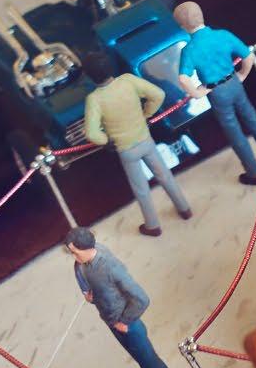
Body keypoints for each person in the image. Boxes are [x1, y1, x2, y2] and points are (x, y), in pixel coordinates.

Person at [66, 227, 193, 368]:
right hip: (112, 321)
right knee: (145, 363)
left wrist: (124, 322)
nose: (74, 257)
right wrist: (90, 295)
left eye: (75, 252)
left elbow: (141, 299)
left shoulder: (109, 267)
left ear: (87, 248)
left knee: (151, 365)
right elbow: (87, 283)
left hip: (128, 326)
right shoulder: (83, 264)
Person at [80, 48, 191, 237]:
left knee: (141, 189)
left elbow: (91, 133)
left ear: (90, 76)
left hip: (125, 148)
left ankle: (152, 225)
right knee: (165, 175)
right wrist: (147, 113)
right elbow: (158, 94)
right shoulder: (128, 81)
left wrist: (106, 140)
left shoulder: (94, 99)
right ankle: (184, 208)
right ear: (110, 67)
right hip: (145, 138)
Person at [172, 2, 256, 186]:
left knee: (235, 133)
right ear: (201, 16)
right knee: (253, 121)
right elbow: (248, 56)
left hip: (217, 92)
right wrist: (242, 74)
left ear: (182, 27)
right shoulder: (222, 35)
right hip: (234, 82)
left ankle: (254, 173)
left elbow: (183, 78)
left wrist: (196, 93)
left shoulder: (189, 50)